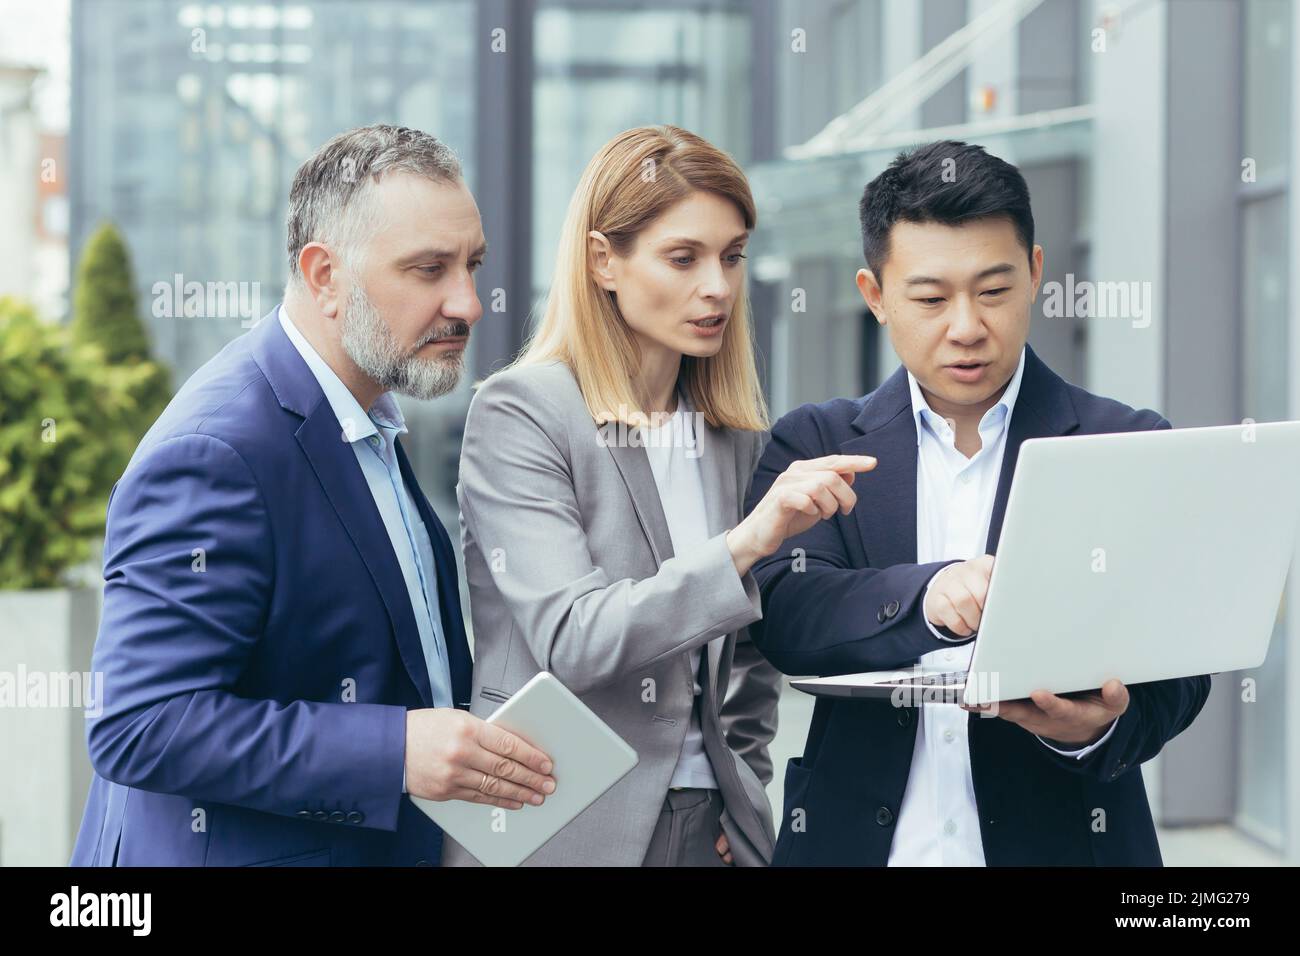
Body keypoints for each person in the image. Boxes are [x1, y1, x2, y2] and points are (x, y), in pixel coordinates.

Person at [71, 125, 554, 867]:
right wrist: (393, 750)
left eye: (472, 265)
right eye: (429, 269)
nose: (468, 303)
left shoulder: (368, 418)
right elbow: (139, 723)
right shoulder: (218, 452)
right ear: (324, 275)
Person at [745, 140, 1211, 866]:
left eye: (993, 291)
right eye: (930, 299)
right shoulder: (816, 440)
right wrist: (929, 597)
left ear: (1033, 275)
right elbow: (783, 612)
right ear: (875, 296)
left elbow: (1180, 668)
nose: (966, 326)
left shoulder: (1126, 442)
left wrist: (1088, 729)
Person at [442, 125, 874, 867]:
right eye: (684, 257)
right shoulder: (523, 412)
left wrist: (734, 793)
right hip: (555, 828)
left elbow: (746, 663)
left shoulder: (730, 434)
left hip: (706, 831)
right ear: (604, 260)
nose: (718, 286)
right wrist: (745, 544)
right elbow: (574, 639)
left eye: (732, 256)